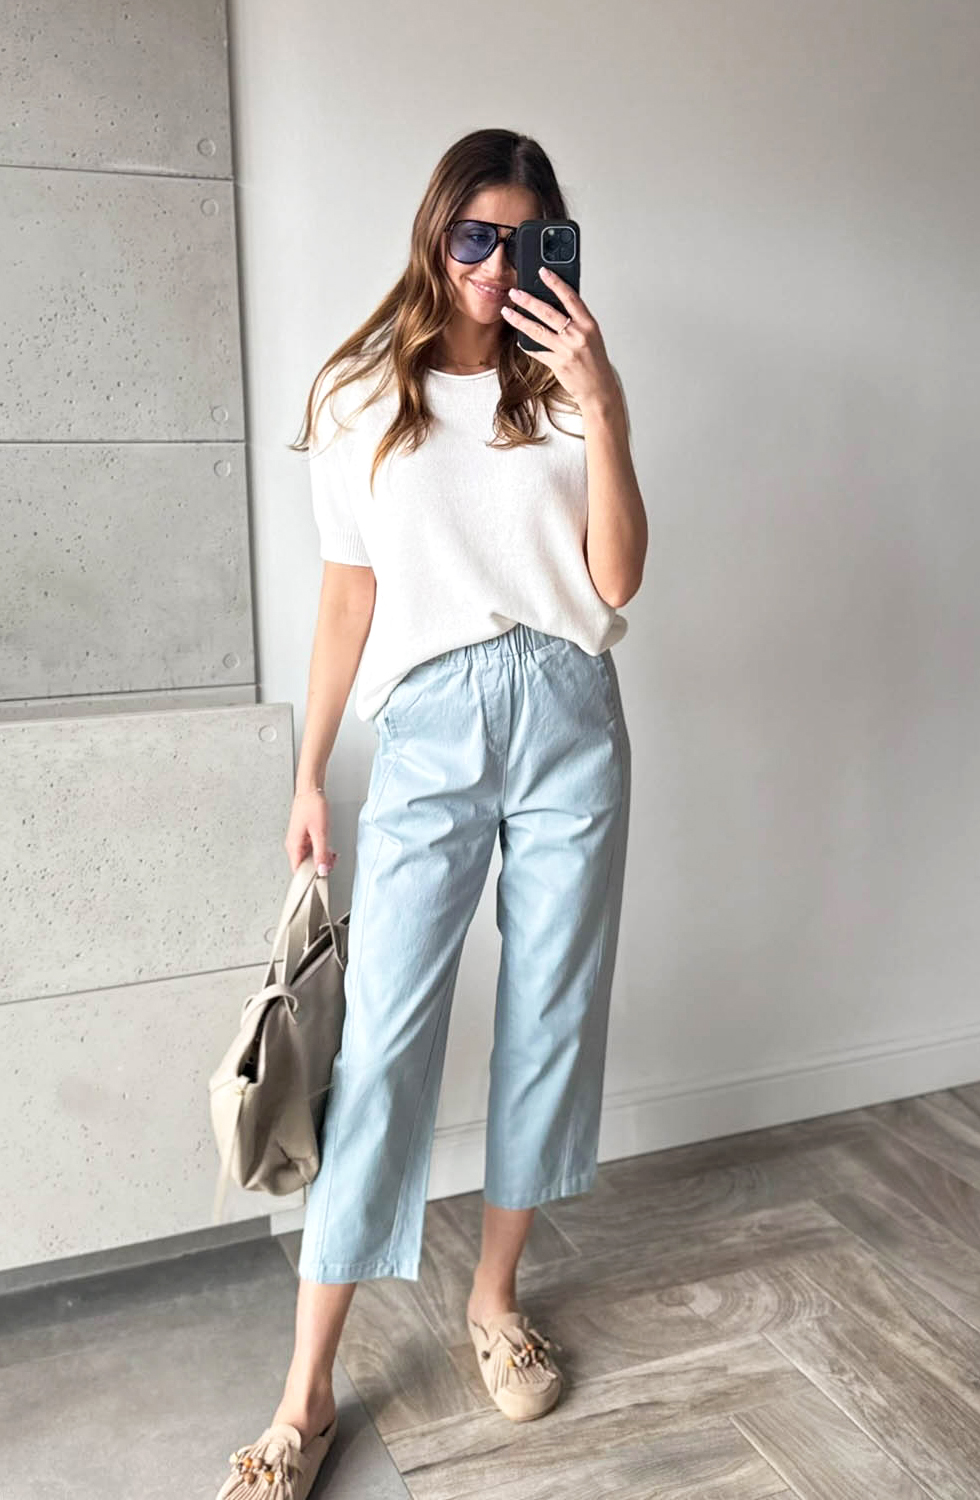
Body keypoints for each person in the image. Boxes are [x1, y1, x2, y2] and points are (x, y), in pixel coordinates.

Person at [215, 126, 647, 1499]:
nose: (495, 264)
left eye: (523, 239)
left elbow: (617, 581)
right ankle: (305, 1394)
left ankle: (493, 1303)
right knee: (386, 1044)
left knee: (550, 1014)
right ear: (435, 234)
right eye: (474, 235)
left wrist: (604, 403)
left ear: (553, 242)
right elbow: (347, 595)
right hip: (431, 723)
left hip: (570, 707)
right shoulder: (360, 393)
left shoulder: (568, 381)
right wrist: (308, 773)